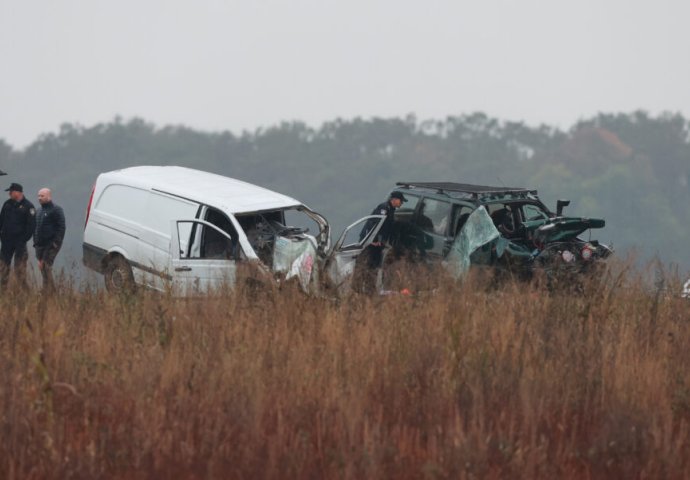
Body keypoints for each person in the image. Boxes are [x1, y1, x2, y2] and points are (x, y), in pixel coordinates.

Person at [356, 191, 407, 292]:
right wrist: (374, 240)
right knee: (371, 264)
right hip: (372, 241)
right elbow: (374, 224)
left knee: (376, 264)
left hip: (378, 242)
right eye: (401, 201)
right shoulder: (384, 208)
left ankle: (371, 287)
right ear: (395, 200)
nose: (402, 203)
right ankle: (367, 287)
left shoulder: (391, 209)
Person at [0, 183, 36, 288]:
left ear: (18, 192)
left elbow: (31, 225)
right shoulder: (7, 204)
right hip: (6, 241)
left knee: (19, 268)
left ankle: (23, 292)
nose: (9, 193)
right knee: (3, 267)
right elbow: (1, 220)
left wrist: (23, 239)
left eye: (11, 191)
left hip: (19, 242)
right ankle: (3, 291)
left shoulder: (28, 206)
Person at [33, 188, 66, 293]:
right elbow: (35, 228)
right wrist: (35, 243)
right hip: (39, 245)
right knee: (42, 267)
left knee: (46, 265)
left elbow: (61, 227)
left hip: (51, 244)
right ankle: (46, 290)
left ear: (49, 196)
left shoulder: (57, 210)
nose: (39, 198)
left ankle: (51, 292)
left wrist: (56, 242)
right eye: (38, 196)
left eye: (42, 196)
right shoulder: (38, 211)